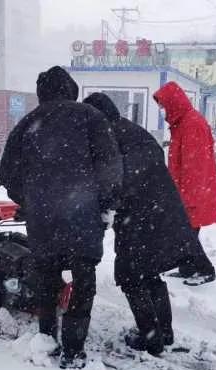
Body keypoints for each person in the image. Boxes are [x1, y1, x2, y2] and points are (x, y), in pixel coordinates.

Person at [0, 67, 122, 369]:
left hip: (43, 220)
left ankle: (46, 338)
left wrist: (29, 200)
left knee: (46, 280)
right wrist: (103, 203)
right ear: (71, 89)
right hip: (83, 217)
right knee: (83, 282)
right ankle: (74, 348)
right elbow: (110, 169)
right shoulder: (92, 118)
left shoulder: (28, 123)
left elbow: (7, 173)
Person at [83, 92, 199, 355]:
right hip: (163, 211)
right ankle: (164, 332)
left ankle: (151, 337)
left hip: (137, 216)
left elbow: (110, 179)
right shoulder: (134, 131)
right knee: (150, 272)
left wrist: (101, 205)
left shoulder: (107, 137)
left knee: (131, 276)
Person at [153, 81, 216, 286]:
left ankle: (205, 270)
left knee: (186, 234)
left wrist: (185, 199)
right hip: (187, 191)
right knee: (184, 233)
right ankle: (188, 268)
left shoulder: (192, 124)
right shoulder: (182, 123)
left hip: (193, 193)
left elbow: (195, 167)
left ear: (174, 103)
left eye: (164, 106)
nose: (163, 111)